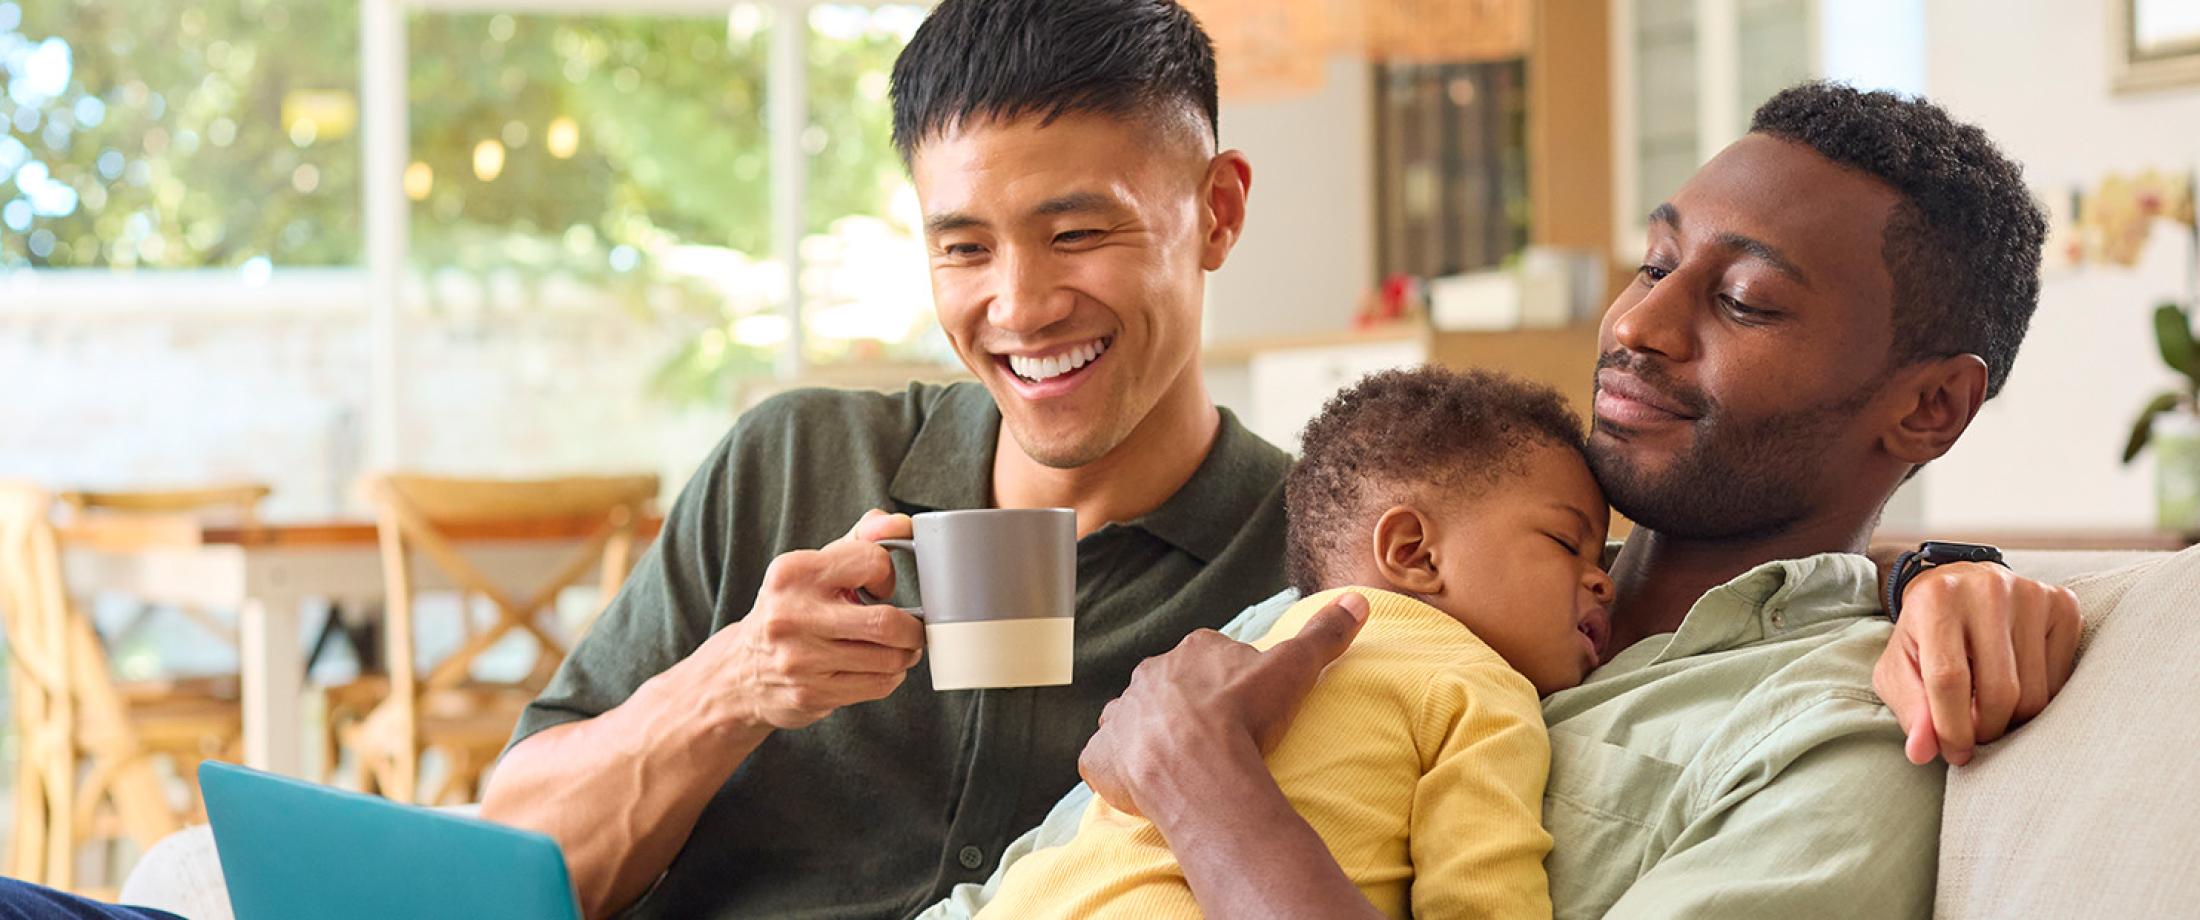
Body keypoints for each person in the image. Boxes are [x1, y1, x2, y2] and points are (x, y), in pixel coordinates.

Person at [0, 4, 2072, 919]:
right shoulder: (798, 463)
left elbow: (1654, 590)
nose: (1017, 304)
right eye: (960, 247)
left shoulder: (1326, 557)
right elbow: (502, 858)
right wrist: (731, 685)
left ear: (1215, 213)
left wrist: (1939, 577)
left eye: (1079, 230)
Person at [1062, 81, 2078, 920]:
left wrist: (1208, 789)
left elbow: (1176, 757)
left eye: (1744, 301)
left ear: (1929, 406)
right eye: (1655, 262)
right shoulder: (1393, 586)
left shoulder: (1831, 735)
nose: (1637, 323)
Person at [978, 367, 1609, 919]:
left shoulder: (1239, 651)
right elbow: (1482, 902)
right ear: (1414, 552)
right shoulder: (1480, 687)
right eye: (1566, 542)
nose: (1604, 581)